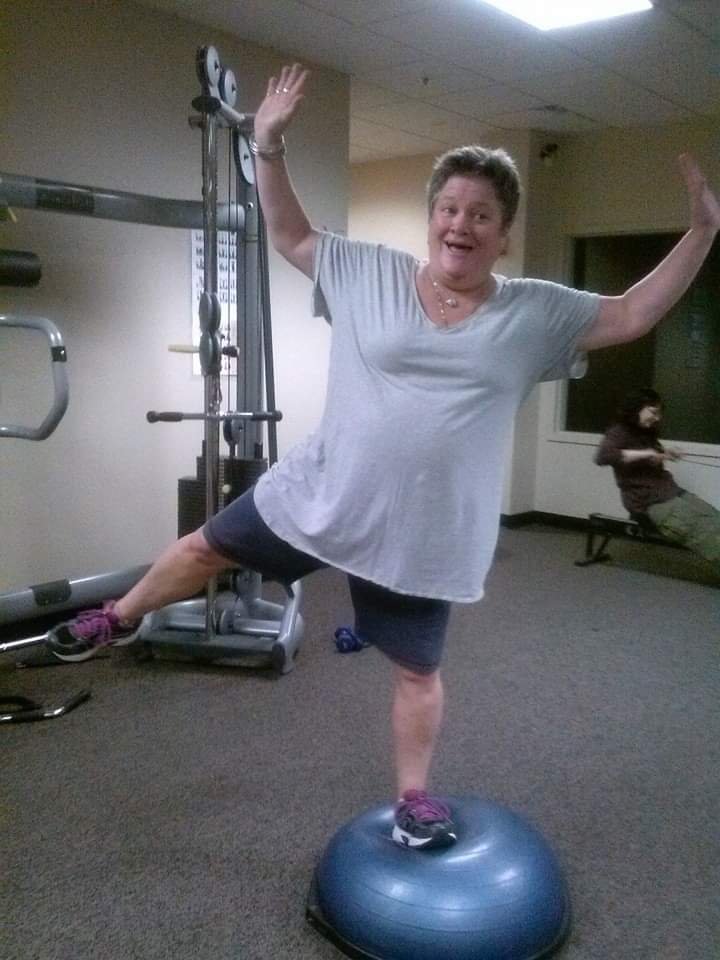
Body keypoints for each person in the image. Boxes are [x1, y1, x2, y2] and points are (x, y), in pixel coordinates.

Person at [47, 64, 720, 849]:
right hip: (323, 490)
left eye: (481, 214)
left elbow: (632, 312)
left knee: (416, 670)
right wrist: (268, 146)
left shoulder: (536, 312)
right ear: (432, 219)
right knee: (204, 548)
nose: (461, 225)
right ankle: (117, 618)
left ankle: (413, 799)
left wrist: (702, 233)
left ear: (503, 233)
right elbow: (291, 235)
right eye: (449, 208)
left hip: (422, 531)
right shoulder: (370, 271)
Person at [595, 388, 720, 572]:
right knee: (704, 531)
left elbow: (651, 458)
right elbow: (603, 457)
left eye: (659, 413)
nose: (657, 418)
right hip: (648, 501)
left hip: (670, 491)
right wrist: (646, 454)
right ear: (637, 408)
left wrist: (666, 453)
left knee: (714, 518)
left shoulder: (646, 431)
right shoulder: (618, 431)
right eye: (653, 412)